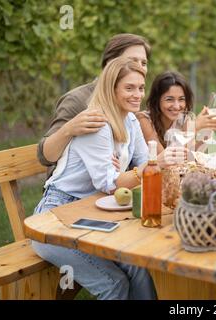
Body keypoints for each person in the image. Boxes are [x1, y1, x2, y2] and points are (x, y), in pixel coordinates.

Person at [32, 57, 157, 300]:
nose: (137, 95)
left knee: (140, 266)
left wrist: (135, 169)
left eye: (141, 88)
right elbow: (110, 183)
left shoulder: (130, 119)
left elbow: (143, 161)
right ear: (112, 89)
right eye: (129, 88)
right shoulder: (97, 123)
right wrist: (148, 168)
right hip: (54, 219)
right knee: (114, 283)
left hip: (91, 214)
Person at [37, 33, 151, 177]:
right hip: (75, 193)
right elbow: (45, 157)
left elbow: (136, 158)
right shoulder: (77, 100)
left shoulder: (129, 100)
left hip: (110, 187)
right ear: (111, 63)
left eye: (144, 63)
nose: (140, 67)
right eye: (133, 61)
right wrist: (68, 130)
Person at [138, 71, 216, 162]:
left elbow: (191, 156)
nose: (176, 106)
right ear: (157, 100)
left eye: (181, 99)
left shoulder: (184, 119)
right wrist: (194, 127)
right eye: (169, 99)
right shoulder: (144, 120)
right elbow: (167, 161)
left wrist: (207, 129)